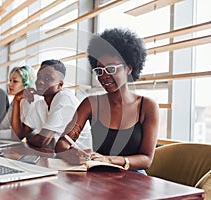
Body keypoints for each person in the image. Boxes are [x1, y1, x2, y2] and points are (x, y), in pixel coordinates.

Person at [55, 28, 159, 174]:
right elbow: (62, 143)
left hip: (135, 179)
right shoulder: (90, 103)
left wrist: (109, 160)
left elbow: (146, 159)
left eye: (111, 69)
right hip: (98, 175)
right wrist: (70, 153)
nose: (104, 76)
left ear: (128, 69)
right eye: (99, 71)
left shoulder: (147, 107)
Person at [11, 59, 92, 150]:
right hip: (56, 157)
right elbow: (17, 136)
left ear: (60, 85)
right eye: (38, 77)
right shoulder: (40, 104)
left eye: (47, 78)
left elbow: (42, 141)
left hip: (80, 159)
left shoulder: (64, 98)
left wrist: (28, 140)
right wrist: (16, 100)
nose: (39, 81)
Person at [0, 66, 37, 132]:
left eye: (15, 81)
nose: (10, 84)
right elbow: (3, 126)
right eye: (10, 80)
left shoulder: (33, 102)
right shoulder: (15, 101)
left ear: (26, 84)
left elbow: (19, 134)